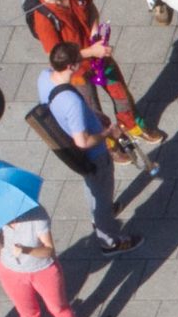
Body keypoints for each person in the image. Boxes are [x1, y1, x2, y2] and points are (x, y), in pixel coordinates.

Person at [25, 0, 166, 151]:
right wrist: (92, 51)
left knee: (121, 94)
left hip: (98, 54)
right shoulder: (43, 18)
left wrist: (94, 31)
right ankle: (110, 144)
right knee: (93, 109)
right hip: (77, 70)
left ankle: (133, 126)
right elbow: (57, 57)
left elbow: (90, 7)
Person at [38, 42, 145, 253]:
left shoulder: (44, 77)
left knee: (93, 186)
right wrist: (107, 133)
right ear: (71, 66)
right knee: (101, 192)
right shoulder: (71, 101)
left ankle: (100, 214)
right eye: (79, 60)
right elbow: (82, 141)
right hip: (94, 154)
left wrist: (94, 117)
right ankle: (110, 240)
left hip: (77, 151)